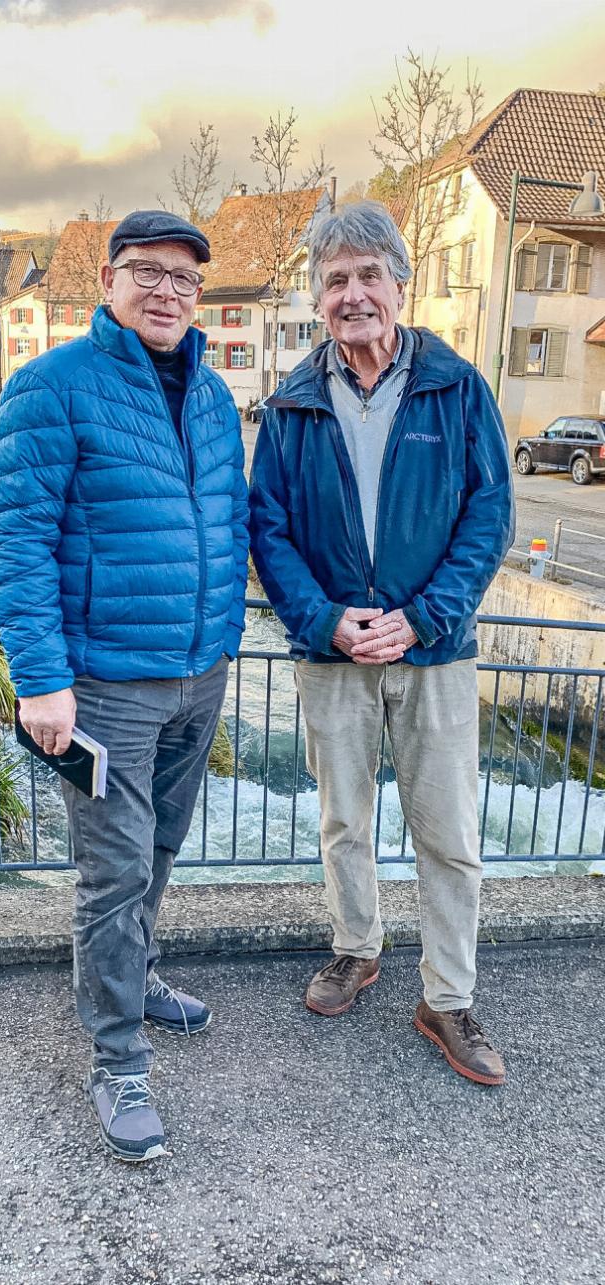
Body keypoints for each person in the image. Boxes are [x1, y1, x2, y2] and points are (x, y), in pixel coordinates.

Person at [0, 211, 249, 1160]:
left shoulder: (214, 397)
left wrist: (229, 631)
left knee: (162, 847)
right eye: (149, 272)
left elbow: (228, 524)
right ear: (108, 279)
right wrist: (42, 680)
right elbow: (12, 538)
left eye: (185, 278)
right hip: (102, 687)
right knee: (116, 868)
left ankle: (129, 982)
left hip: (199, 672)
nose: (168, 290)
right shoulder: (52, 387)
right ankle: (118, 1056)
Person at [249, 202, 514, 1087]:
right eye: (335, 280)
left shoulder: (457, 386)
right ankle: (356, 948)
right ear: (318, 297)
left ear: (401, 283)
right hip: (333, 654)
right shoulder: (292, 401)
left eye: (368, 275)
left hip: (433, 651)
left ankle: (446, 997)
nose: (353, 294)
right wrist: (325, 619)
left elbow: (489, 515)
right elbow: (269, 528)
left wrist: (424, 614)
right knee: (342, 823)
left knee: (448, 833)